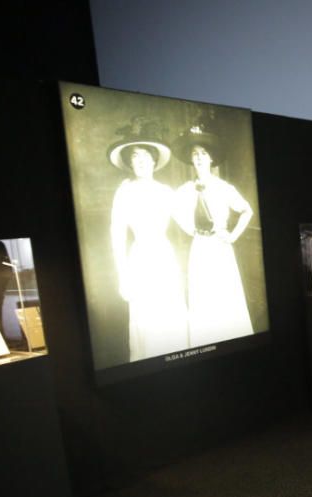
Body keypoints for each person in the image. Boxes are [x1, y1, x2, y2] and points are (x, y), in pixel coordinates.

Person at [108, 118, 189, 361]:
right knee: (147, 324)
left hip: (164, 258)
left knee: (170, 320)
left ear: (154, 160)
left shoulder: (166, 192)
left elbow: (187, 223)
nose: (140, 161)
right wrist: (122, 277)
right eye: (134, 157)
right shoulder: (125, 190)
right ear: (130, 163)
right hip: (140, 260)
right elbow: (117, 234)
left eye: (144, 156)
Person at [172, 126, 254, 347]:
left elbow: (247, 210)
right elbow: (175, 212)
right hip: (199, 247)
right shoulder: (185, 189)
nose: (199, 158)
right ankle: (205, 345)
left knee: (224, 296)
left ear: (211, 159)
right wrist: (192, 230)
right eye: (195, 154)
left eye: (203, 154)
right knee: (203, 298)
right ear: (191, 159)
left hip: (220, 247)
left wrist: (233, 235)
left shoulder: (223, 187)